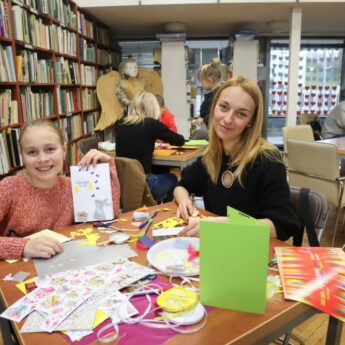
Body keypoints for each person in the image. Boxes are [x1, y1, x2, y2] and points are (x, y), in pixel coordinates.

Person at [174, 76, 300, 241]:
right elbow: (181, 185)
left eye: (241, 114)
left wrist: (225, 225)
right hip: (218, 247)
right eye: (223, 107)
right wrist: (184, 202)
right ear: (214, 107)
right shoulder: (213, 154)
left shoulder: (267, 161)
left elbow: (283, 225)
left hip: (252, 253)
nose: (227, 119)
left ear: (251, 121)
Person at [0, 119, 120, 260]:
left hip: (62, 263)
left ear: (64, 150)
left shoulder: (73, 186)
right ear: (22, 156)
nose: (42, 158)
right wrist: (23, 246)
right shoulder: (8, 188)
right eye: (32, 152)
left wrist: (106, 168)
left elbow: (106, 218)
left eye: (50, 149)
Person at [115, 90, 185, 202]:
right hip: (145, 186)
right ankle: (167, 213)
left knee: (159, 171)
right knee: (172, 178)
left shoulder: (120, 123)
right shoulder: (151, 124)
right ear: (153, 107)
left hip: (124, 186)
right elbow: (179, 140)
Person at [194, 58, 222, 128]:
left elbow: (217, 115)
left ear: (210, 78)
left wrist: (203, 119)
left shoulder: (218, 95)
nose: (202, 85)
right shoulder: (213, 94)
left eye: (202, 82)